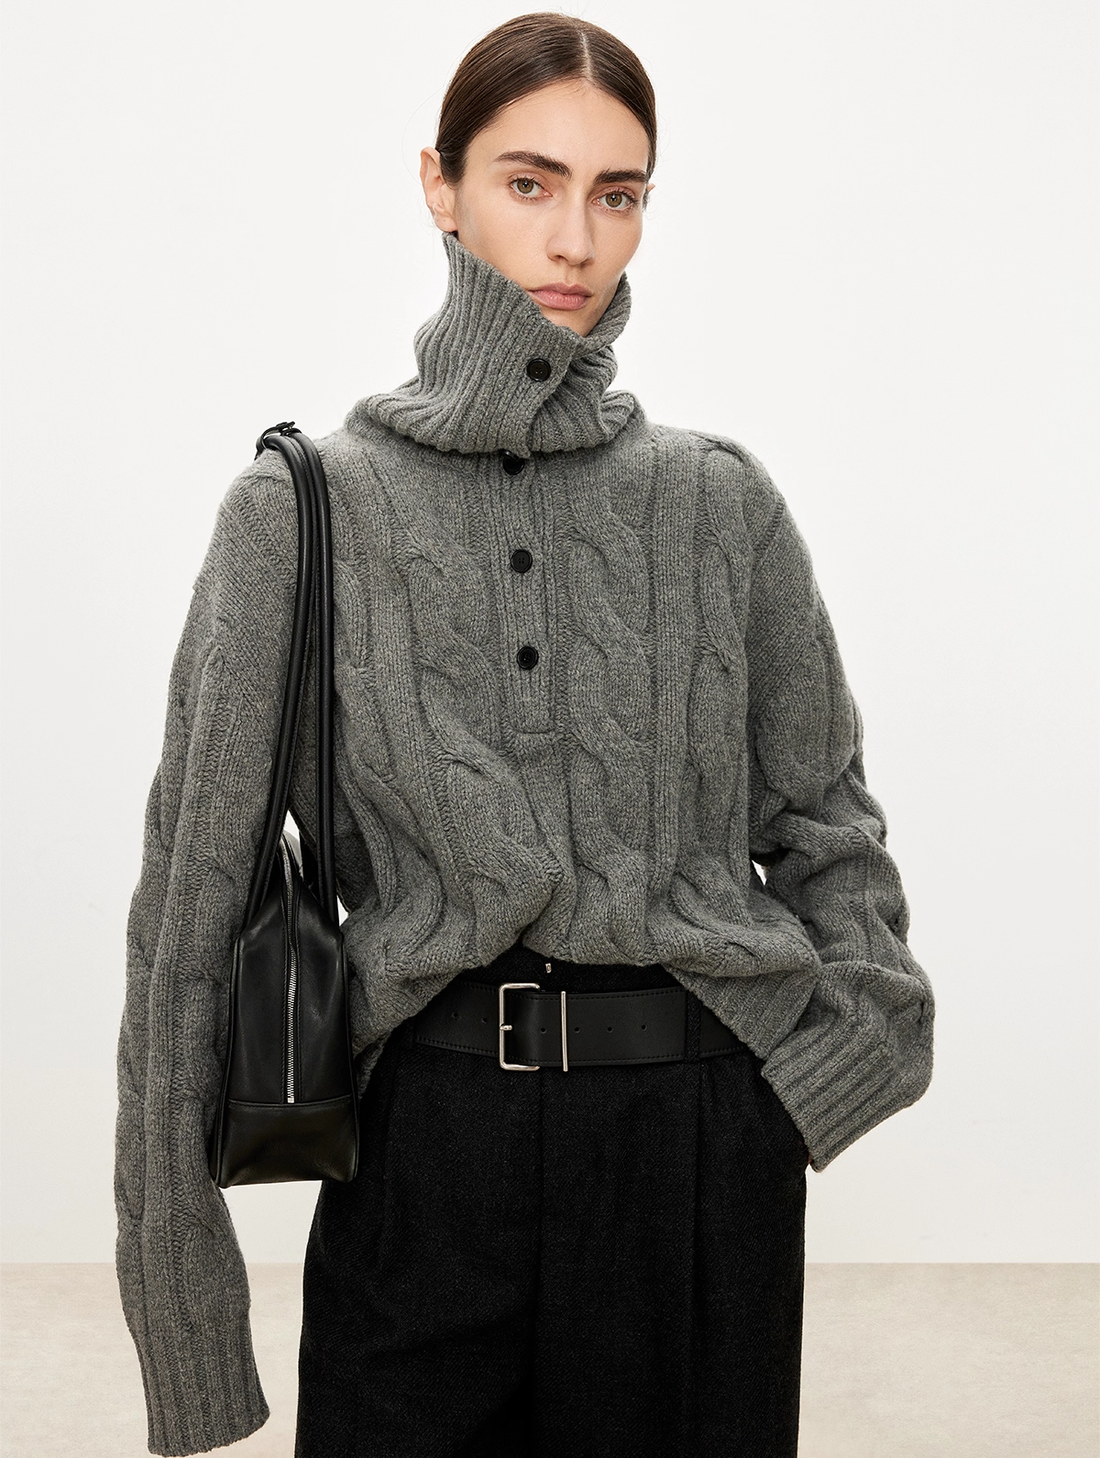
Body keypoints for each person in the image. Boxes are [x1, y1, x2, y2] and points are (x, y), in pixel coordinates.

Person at [113, 12, 935, 1458]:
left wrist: (805, 1091)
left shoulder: (719, 503)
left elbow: (831, 832)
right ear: (440, 186)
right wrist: (185, 1316)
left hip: (698, 1156)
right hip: (426, 1159)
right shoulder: (303, 511)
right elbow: (190, 924)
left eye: (618, 194)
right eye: (529, 182)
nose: (575, 239)